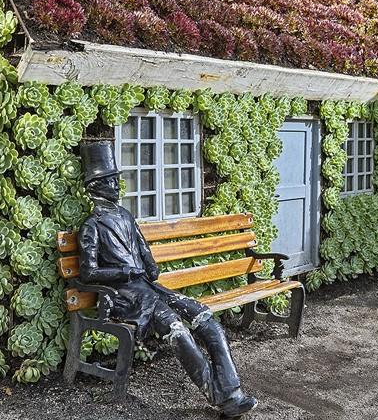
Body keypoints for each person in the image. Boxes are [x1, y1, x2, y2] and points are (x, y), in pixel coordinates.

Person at [77, 140, 258, 417]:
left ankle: (232, 392)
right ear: (94, 187)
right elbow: (88, 273)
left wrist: (147, 263)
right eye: (109, 180)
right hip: (128, 297)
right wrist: (126, 272)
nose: (116, 185)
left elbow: (145, 255)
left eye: (116, 179)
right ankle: (222, 399)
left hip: (150, 288)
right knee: (179, 331)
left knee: (207, 321)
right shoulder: (91, 226)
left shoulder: (125, 216)